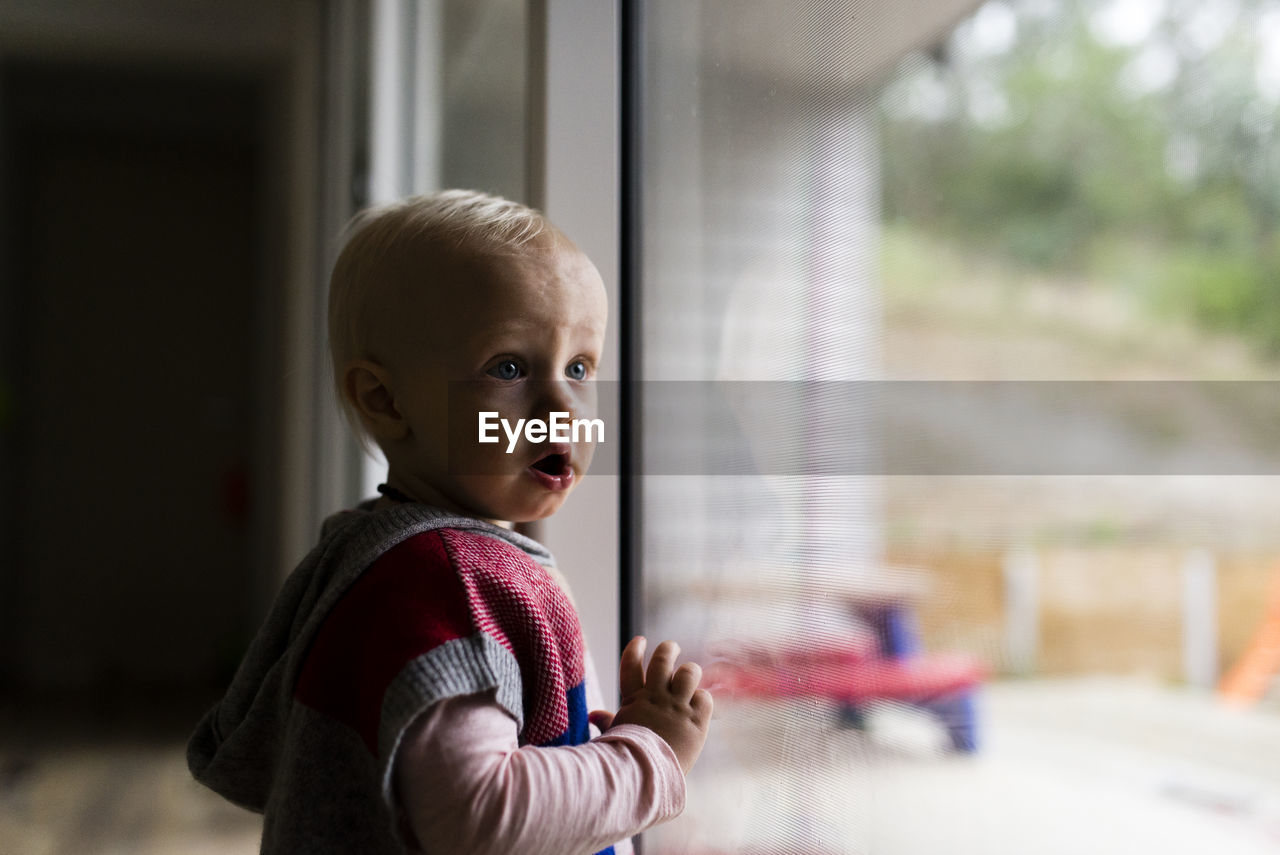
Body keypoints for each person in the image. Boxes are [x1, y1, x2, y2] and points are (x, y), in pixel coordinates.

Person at [188, 190, 712, 854]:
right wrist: (648, 756)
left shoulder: (378, 553)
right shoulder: (451, 581)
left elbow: (452, 768)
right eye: (510, 367)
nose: (563, 405)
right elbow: (479, 815)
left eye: (580, 367)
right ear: (385, 399)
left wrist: (602, 736)